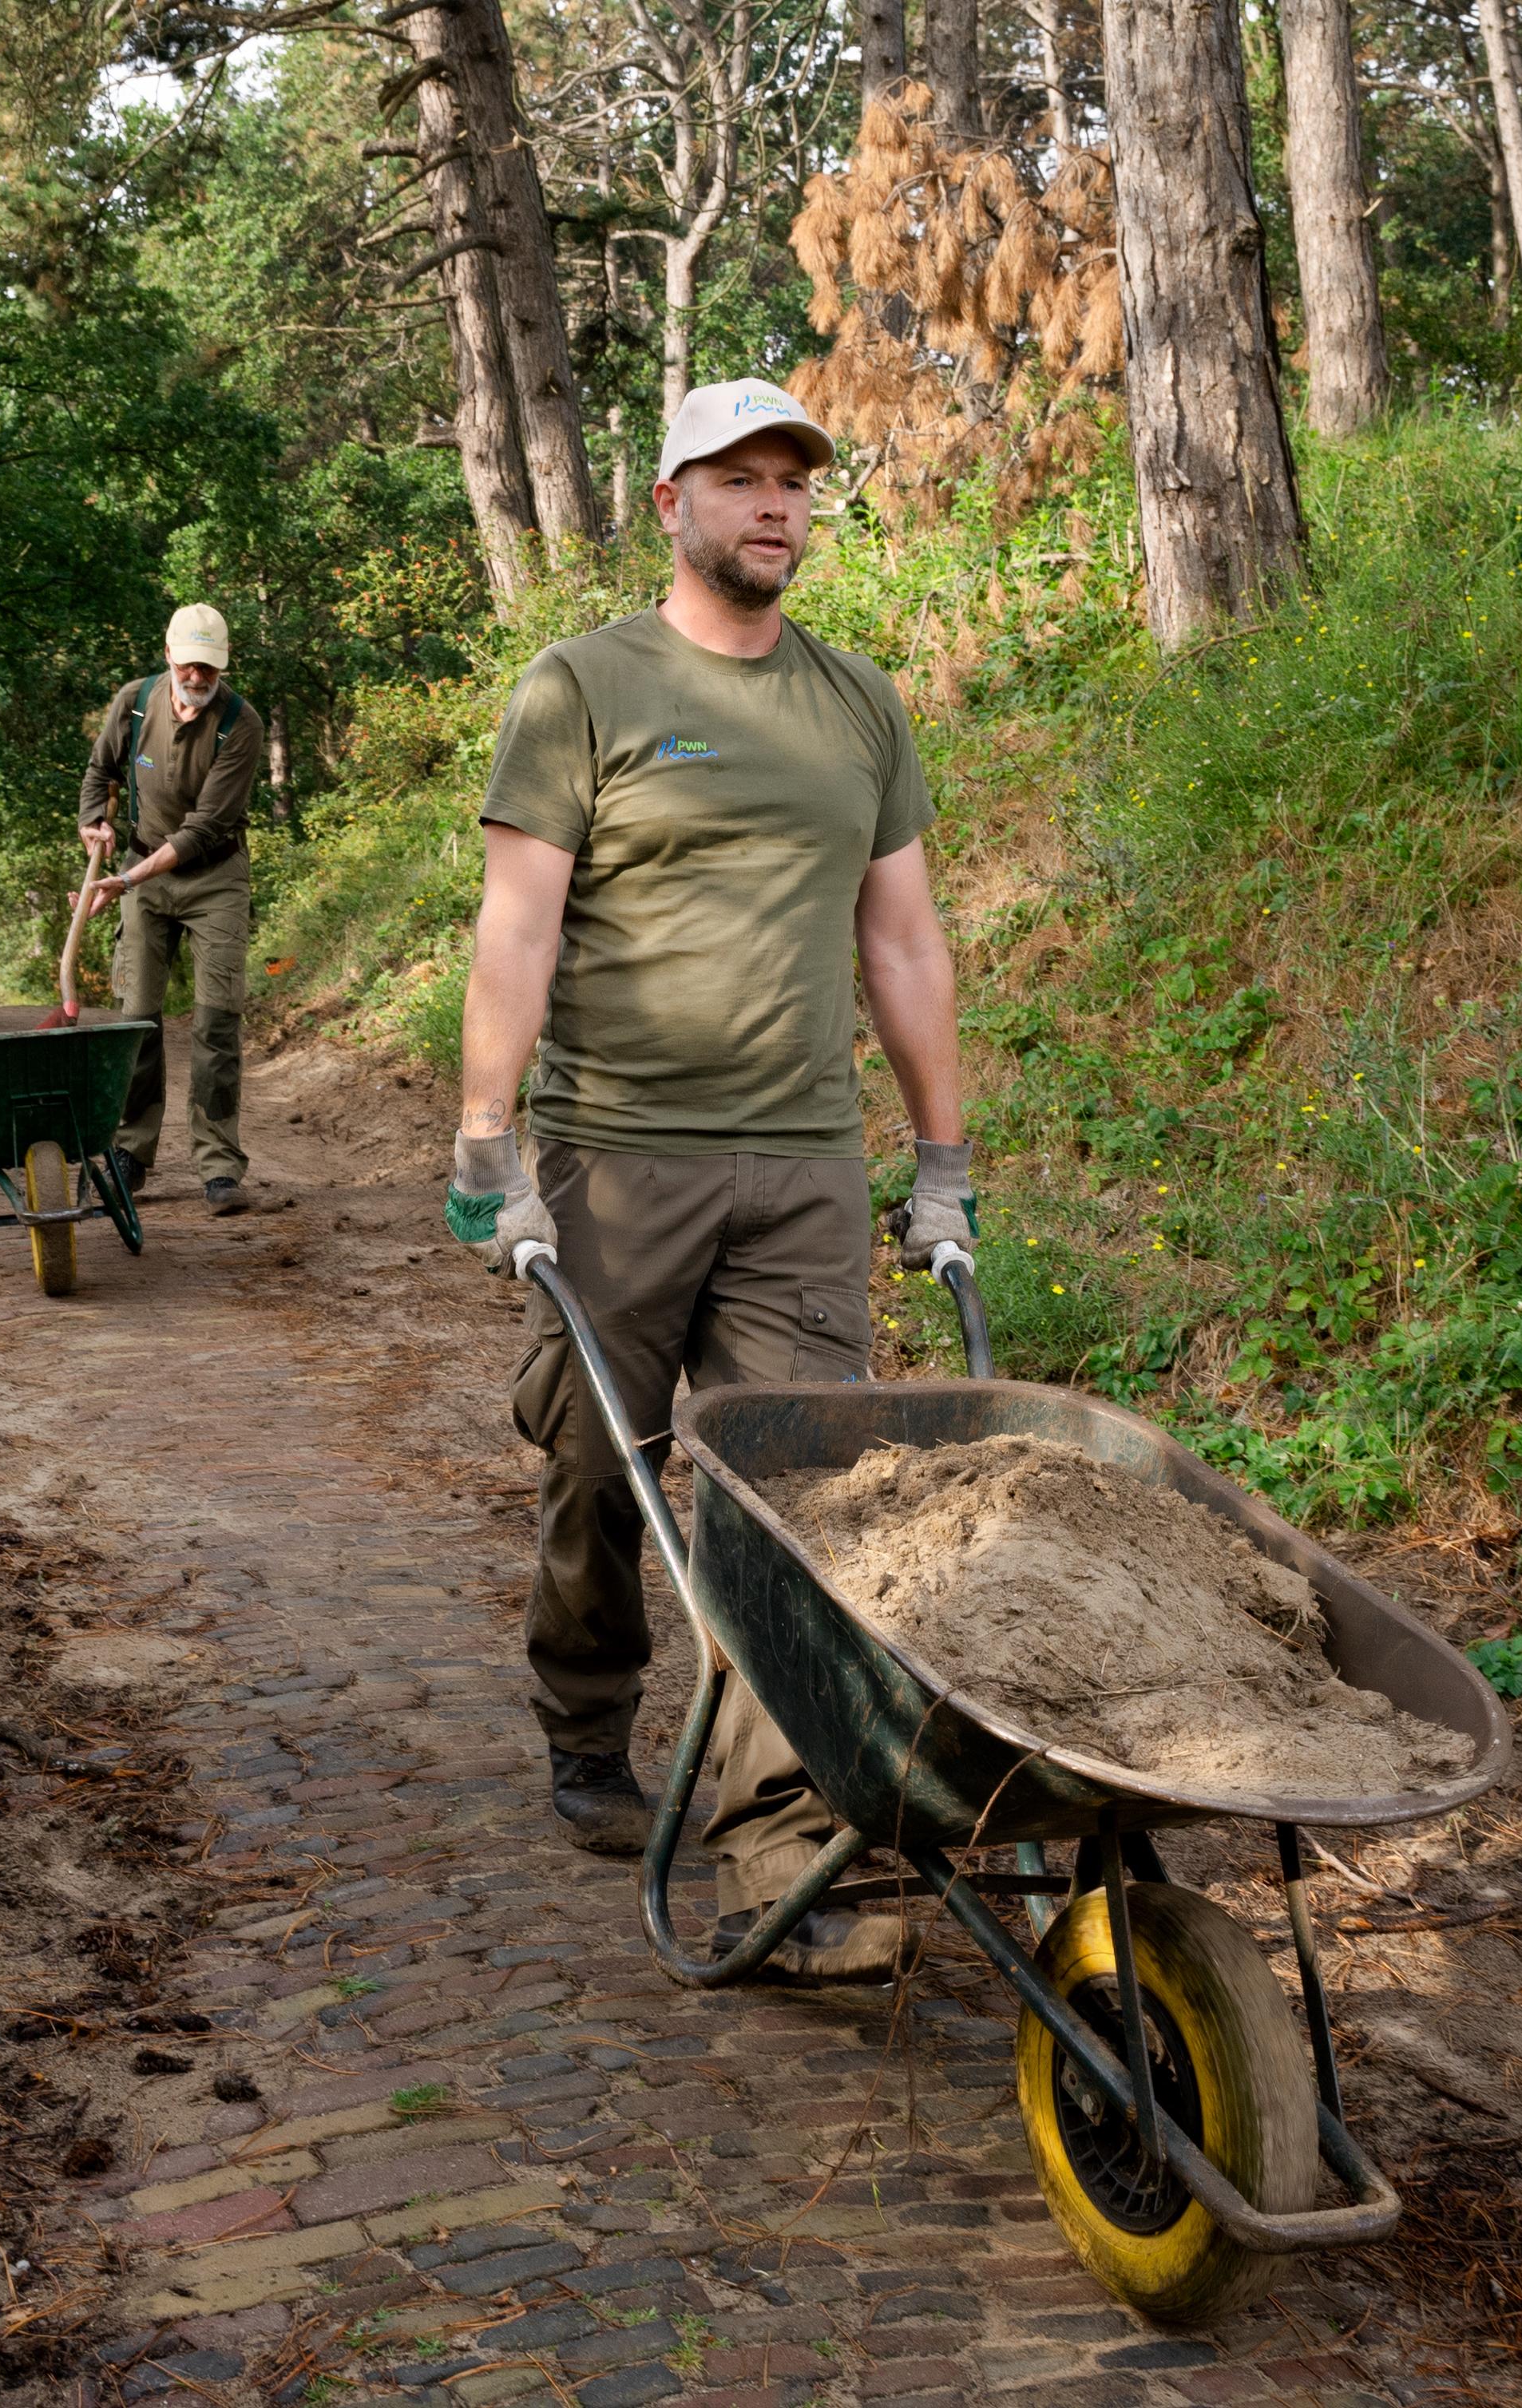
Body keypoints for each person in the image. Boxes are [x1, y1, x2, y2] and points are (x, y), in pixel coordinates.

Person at [440, 381, 978, 1984]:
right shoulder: (582, 689)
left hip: (803, 1169)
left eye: (794, 482)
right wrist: (489, 1139)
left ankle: (769, 1845)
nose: (773, 506)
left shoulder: (857, 705)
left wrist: (938, 1157)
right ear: (667, 501)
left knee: (791, 1511)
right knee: (596, 1476)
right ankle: (582, 1715)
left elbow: (900, 940)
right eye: (738, 479)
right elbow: (517, 926)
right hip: (615, 1156)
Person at [78, 603, 264, 1216]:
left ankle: (218, 1165)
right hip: (142, 877)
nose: (199, 677)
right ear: (169, 656)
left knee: (216, 1021)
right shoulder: (135, 702)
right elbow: (99, 770)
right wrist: (92, 823)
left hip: (213, 879)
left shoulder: (242, 725)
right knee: (138, 1020)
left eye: (210, 668)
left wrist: (125, 878)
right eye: (189, 664)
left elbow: (205, 829)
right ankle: (131, 1151)